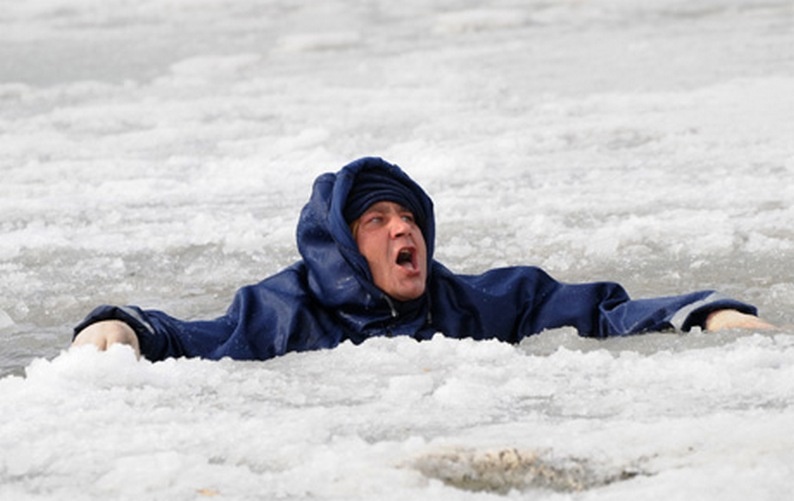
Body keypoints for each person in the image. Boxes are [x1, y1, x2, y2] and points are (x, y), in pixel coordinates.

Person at [72, 157, 773, 360]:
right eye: (376, 219)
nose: (401, 228)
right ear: (345, 245)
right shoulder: (283, 311)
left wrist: (702, 312)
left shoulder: (471, 303)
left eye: (409, 216)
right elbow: (195, 339)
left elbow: (594, 309)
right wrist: (123, 326)